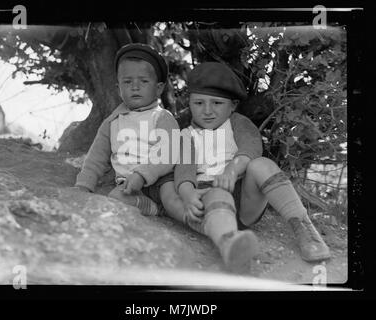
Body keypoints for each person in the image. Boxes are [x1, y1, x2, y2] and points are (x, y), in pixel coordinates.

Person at [166, 62, 330, 273]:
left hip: (244, 200)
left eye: (217, 103)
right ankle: (230, 244)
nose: (207, 111)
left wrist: (232, 169)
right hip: (210, 200)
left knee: (262, 165)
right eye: (199, 103)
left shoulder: (238, 123)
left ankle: (303, 226)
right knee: (217, 194)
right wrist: (188, 194)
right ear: (189, 103)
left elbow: (251, 147)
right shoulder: (185, 135)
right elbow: (184, 168)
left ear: (232, 105)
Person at [73, 43, 179, 216]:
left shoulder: (162, 117)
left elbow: (167, 153)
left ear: (159, 88)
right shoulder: (113, 121)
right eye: (127, 82)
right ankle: (150, 207)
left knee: (172, 198)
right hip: (128, 185)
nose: (135, 87)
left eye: (144, 81)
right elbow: (96, 157)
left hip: (160, 180)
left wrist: (142, 175)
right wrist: (83, 185)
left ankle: (163, 207)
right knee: (115, 198)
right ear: (118, 89)